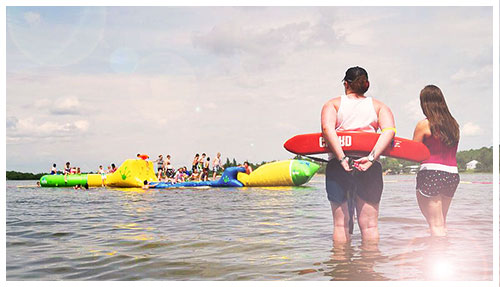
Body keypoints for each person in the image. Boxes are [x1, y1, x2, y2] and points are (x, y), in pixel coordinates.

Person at [321, 66, 395, 243]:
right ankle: (368, 267)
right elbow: (389, 131)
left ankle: (341, 268)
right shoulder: (380, 107)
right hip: (369, 166)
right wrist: (370, 159)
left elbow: (327, 129)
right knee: (370, 226)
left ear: (346, 84)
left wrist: (342, 158)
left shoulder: (333, 104)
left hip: (339, 166)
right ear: (366, 85)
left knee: (341, 225)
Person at [412, 85, 460, 237]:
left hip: (431, 172)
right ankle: (441, 254)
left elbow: (414, 153)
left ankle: (436, 256)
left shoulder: (424, 124)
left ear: (424, 103)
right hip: (452, 174)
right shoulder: (454, 124)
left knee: (435, 224)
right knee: (441, 222)